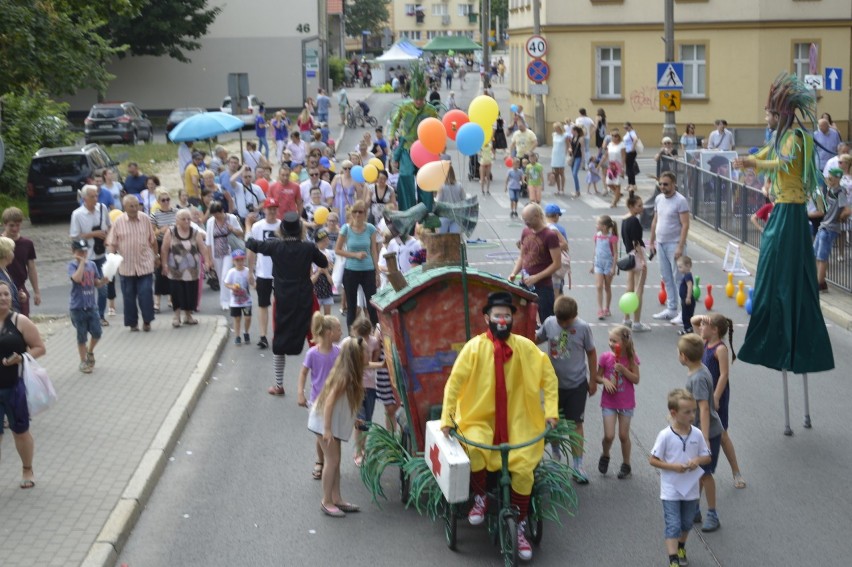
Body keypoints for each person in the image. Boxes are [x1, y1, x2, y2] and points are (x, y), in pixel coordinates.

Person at [441, 291, 558, 561]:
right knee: (476, 449)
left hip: (519, 422)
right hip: (479, 419)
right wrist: (448, 418)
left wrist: (550, 412)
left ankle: (519, 524)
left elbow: (548, 378)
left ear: (511, 319)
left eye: (507, 315)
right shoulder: (474, 348)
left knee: (523, 469)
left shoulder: (526, 348)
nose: (502, 320)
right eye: (497, 315)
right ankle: (480, 497)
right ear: (487, 318)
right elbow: (455, 383)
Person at [732, 73, 834, 373]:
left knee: (782, 272)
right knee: (768, 271)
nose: (766, 117)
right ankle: (770, 328)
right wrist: (747, 159)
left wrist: (753, 163)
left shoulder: (797, 137)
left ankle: (788, 333)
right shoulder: (779, 137)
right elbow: (766, 153)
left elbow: (784, 162)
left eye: (769, 113)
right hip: (781, 210)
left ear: (781, 114)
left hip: (791, 212)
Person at [246, 212, 328, 396]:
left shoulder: (275, 246)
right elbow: (323, 262)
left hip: (283, 299)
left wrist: (248, 226)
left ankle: (278, 384)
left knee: (279, 339)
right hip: (306, 297)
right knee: (315, 338)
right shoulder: (308, 247)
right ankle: (319, 384)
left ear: (281, 230)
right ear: (301, 230)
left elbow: (251, 244)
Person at [535, 295, 597, 482]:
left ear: (574, 316)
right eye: (560, 321)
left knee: (576, 424)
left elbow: (591, 353)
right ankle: (555, 456)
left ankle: (578, 465)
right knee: (553, 421)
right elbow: (537, 339)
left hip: (576, 384)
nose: (563, 324)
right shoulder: (549, 323)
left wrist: (592, 380)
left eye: (567, 321)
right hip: (553, 385)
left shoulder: (583, 328)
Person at [649, 389, 712, 567]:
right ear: (674, 413)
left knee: (686, 523)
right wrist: (673, 467)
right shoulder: (665, 435)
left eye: (694, 411)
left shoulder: (697, 434)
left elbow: (707, 457)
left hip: (690, 489)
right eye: (687, 412)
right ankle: (673, 560)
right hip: (670, 489)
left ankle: (681, 546)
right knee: (673, 525)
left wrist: (697, 460)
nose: (692, 415)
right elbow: (652, 460)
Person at [308, 337, 365, 517]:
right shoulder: (345, 376)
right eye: (364, 353)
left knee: (336, 460)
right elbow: (331, 401)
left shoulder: (348, 374)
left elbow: (342, 403)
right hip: (322, 423)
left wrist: (353, 418)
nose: (367, 355)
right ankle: (326, 501)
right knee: (332, 461)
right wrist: (326, 429)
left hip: (328, 423)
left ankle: (337, 498)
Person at [690, 313, 746, 489]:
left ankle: (736, 472)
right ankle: (697, 471)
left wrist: (715, 396)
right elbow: (693, 320)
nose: (700, 327)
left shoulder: (720, 349)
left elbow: (724, 375)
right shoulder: (703, 341)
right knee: (698, 430)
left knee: (722, 435)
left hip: (716, 396)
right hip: (702, 394)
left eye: (704, 325)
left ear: (714, 330)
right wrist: (704, 318)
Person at [0, 279, 46, 489]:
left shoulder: (20, 321)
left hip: (14, 386)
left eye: (6, 294)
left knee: (20, 430)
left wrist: (21, 357)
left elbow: (39, 348)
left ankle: (27, 468)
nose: (3, 299)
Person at [678, 333, 723, 532]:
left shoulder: (697, 378)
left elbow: (704, 408)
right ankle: (695, 508)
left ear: (684, 357)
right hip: (700, 431)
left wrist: (703, 438)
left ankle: (712, 513)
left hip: (707, 433)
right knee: (697, 472)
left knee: (705, 473)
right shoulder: (700, 369)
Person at [389, 63, 439, 212]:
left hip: (424, 149)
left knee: (425, 179)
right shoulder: (405, 107)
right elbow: (395, 122)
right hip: (407, 149)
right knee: (405, 176)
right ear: (412, 97)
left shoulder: (430, 109)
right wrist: (392, 135)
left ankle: (426, 210)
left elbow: (436, 127)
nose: (419, 102)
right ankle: (408, 210)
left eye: (421, 99)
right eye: (416, 99)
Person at [298, 312, 342, 480]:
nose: (341, 332)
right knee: (321, 432)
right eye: (338, 329)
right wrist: (300, 393)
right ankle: (320, 460)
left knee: (328, 432)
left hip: (334, 400)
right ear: (329, 332)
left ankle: (331, 462)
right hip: (317, 401)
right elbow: (303, 373)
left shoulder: (338, 352)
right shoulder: (312, 353)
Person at [106, 195, 159, 332]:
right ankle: (132, 323)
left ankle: (147, 320)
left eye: (137, 205)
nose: (135, 208)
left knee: (146, 292)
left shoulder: (145, 219)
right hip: (126, 265)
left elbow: (152, 240)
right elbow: (112, 243)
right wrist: (111, 259)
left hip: (144, 263)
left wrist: (156, 256)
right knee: (129, 296)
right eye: (132, 206)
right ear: (125, 207)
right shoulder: (118, 222)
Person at [595, 325, 640, 479]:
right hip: (609, 401)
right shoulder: (605, 357)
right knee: (609, 435)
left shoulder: (632, 357)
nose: (611, 344)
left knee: (623, 435)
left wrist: (624, 370)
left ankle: (626, 464)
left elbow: (636, 379)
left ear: (625, 342)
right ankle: (605, 454)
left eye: (615, 341)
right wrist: (605, 381)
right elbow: (597, 376)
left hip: (626, 402)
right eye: (610, 340)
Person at [509, 203, 562, 323]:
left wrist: (536, 278)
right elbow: (522, 256)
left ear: (537, 216)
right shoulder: (525, 232)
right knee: (522, 318)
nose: (526, 223)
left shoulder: (550, 235)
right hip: (525, 283)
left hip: (543, 287)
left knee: (547, 320)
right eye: (524, 220)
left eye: (528, 220)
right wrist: (513, 273)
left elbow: (556, 263)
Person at [649, 171, 690, 324]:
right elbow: (655, 220)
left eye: (666, 184)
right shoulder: (659, 199)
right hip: (660, 243)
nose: (662, 187)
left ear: (673, 184)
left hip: (674, 244)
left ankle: (683, 312)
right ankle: (671, 308)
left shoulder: (681, 201)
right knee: (666, 277)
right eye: (660, 184)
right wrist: (652, 242)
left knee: (679, 278)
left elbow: (685, 225)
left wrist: (680, 246)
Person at [161, 209, 211, 328]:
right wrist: (164, 264)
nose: (187, 221)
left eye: (189, 219)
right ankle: (176, 316)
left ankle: (188, 316)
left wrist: (207, 261)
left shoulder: (195, 232)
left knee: (190, 292)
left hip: (192, 269)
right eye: (183, 219)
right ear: (177, 220)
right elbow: (164, 249)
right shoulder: (171, 232)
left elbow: (202, 248)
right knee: (177, 292)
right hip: (175, 269)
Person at [70, 185, 111, 325]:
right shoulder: (77, 214)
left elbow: (109, 226)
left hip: (101, 255)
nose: (96, 199)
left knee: (103, 288)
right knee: (86, 289)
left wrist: (107, 238)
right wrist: (93, 234)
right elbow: (74, 236)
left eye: (96, 196)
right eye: (92, 196)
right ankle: (86, 314)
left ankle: (100, 315)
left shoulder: (102, 208)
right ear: (84, 198)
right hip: (86, 258)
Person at [335, 200, 379, 329]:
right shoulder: (346, 228)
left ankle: (377, 337)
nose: (358, 214)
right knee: (352, 306)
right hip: (351, 270)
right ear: (351, 213)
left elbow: (374, 251)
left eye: (361, 212)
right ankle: (352, 339)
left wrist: (377, 272)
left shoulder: (370, 228)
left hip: (368, 270)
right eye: (355, 211)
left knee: (372, 306)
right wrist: (355, 255)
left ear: (365, 213)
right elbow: (338, 250)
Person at [347, 317, 382, 468]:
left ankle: (363, 448)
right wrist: (378, 365)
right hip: (356, 386)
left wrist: (373, 363)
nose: (364, 341)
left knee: (367, 421)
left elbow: (371, 361)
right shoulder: (351, 343)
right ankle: (358, 452)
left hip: (370, 385)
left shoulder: (374, 342)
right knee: (360, 422)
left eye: (366, 336)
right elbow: (363, 365)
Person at [246, 199, 281, 348]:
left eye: (274, 208)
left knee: (280, 304)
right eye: (269, 209)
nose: (272, 211)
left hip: (280, 272)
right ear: (264, 210)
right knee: (263, 304)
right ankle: (263, 336)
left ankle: (279, 334)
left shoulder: (282, 226)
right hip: (263, 272)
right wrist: (250, 271)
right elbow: (252, 250)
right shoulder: (257, 227)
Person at [68, 239, 106, 373]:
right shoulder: (72, 265)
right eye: (80, 251)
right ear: (73, 252)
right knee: (82, 336)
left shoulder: (92, 265)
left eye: (85, 251)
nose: (83, 254)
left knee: (97, 332)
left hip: (91, 306)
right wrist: (82, 264)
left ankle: (90, 352)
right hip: (77, 307)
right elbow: (77, 279)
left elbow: (96, 282)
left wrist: (103, 281)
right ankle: (83, 361)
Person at [814, 168, 850, 291]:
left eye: (831, 177)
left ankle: (818, 283)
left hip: (830, 228)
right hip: (824, 225)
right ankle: (821, 281)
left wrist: (840, 217)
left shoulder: (840, 192)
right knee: (816, 253)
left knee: (822, 256)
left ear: (837, 178)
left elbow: (847, 209)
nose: (828, 179)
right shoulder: (829, 190)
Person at [2, 207, 40, 317]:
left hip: (20, 287)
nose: (15, 229)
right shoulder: (1, 243)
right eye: (11, 225)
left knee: (23, 320)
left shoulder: (27, 243)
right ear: (4, 224)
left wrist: (36, 291)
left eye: (18, 225)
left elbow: (31, 268)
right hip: (3, 286)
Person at [621, 192, 650, 332]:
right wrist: (643, 260)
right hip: (637, 255)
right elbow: (636, 241)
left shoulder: (624, 220)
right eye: (639, 205)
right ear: (631, 206)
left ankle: (626, 318)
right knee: (639, 289)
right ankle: (637, 322)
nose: (642, 208)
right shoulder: (634, 220)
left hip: (630, 255)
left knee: (629, 288)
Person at [150, 189, 177, 314]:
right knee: (160, 273)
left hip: (174, 244)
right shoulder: (155, 215)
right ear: (158, 202)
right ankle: (157, 302)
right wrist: (161, 230)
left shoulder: (176, 213)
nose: (166, 202)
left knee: (173, 271)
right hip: (160, 244)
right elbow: (151, 233)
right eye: (163, 200)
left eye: (167, 200)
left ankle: (172, 298)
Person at [591, 215, 618, 320]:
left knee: (607, 287)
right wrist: (593, 264)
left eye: (598, 224)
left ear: (605, 227)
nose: (596, 225)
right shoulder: (597, 236)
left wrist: (613, 267)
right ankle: (600, 309)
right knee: (598, 286)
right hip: (598, 263)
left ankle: (607, 308)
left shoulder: (612, 238)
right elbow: (595, 250)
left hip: (608, 264)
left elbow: (615, 253)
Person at [224, 249, 253, 346]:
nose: (240, 262)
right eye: (237, 260)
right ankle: (237, 336)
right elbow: (226, 283)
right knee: (237, 318)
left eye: (241, 260)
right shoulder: (231, 272)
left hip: (246, 300)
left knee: (248, 317)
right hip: (235, 301)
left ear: (244, 260)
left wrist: (254, 283)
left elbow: (252, 281)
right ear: (233, 261)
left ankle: (246, 332)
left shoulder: (247, 271)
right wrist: (232, 287)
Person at [436, 165, 465, 234]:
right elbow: (464, 200)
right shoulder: (459, 186)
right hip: (457, 216)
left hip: (444, 216)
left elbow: (438, 202)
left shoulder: (442, 187)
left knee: (442, 239)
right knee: (454, 240)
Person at [604, 130, 626, 207]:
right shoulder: (610, 144)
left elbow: (623, 157)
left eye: (616, 136)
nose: (614, 137)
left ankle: (614, 202)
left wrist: (623, 168)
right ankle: (618, 194)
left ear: (618, 137)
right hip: (611, 166)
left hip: (618, 166)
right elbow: (606, 155)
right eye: (612, 136)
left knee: (617, 184)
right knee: (608, 183)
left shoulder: (622, 145)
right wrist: (599, 164)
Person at [676, 256, 695, 335]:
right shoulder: (686, 275)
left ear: (688, 266)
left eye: (680, 267)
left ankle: (688, 329)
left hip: (687, 299)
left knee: (686, 315)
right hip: (684, 299)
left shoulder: (688, 276)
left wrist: (688, 297)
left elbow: (690, 286)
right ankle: (688, 328)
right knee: (685, 314)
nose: (679, 269)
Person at [623, 122, 639, 194]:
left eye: (627, 127)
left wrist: (632, 147)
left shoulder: (632, 132)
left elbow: (635, 139)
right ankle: (631, 184)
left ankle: (632, 185)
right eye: (624, 128)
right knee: (629, 168)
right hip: (627, 151)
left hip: (630, 152)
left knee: (630, 169)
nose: (626, 129)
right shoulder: (628, 132)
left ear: (630, 126)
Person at [568, 125, 584, 198]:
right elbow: (571, 147)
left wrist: (583, 161)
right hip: (573, 157)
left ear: (575, 131)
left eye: (572, 130)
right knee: (574, 174)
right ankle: (576, 190)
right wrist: (570, 150)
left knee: (574, 174)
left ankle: (578, 191)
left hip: (578, 157)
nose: (571, 131)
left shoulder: (580, 139)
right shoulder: (573, 138)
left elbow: (582, 149)